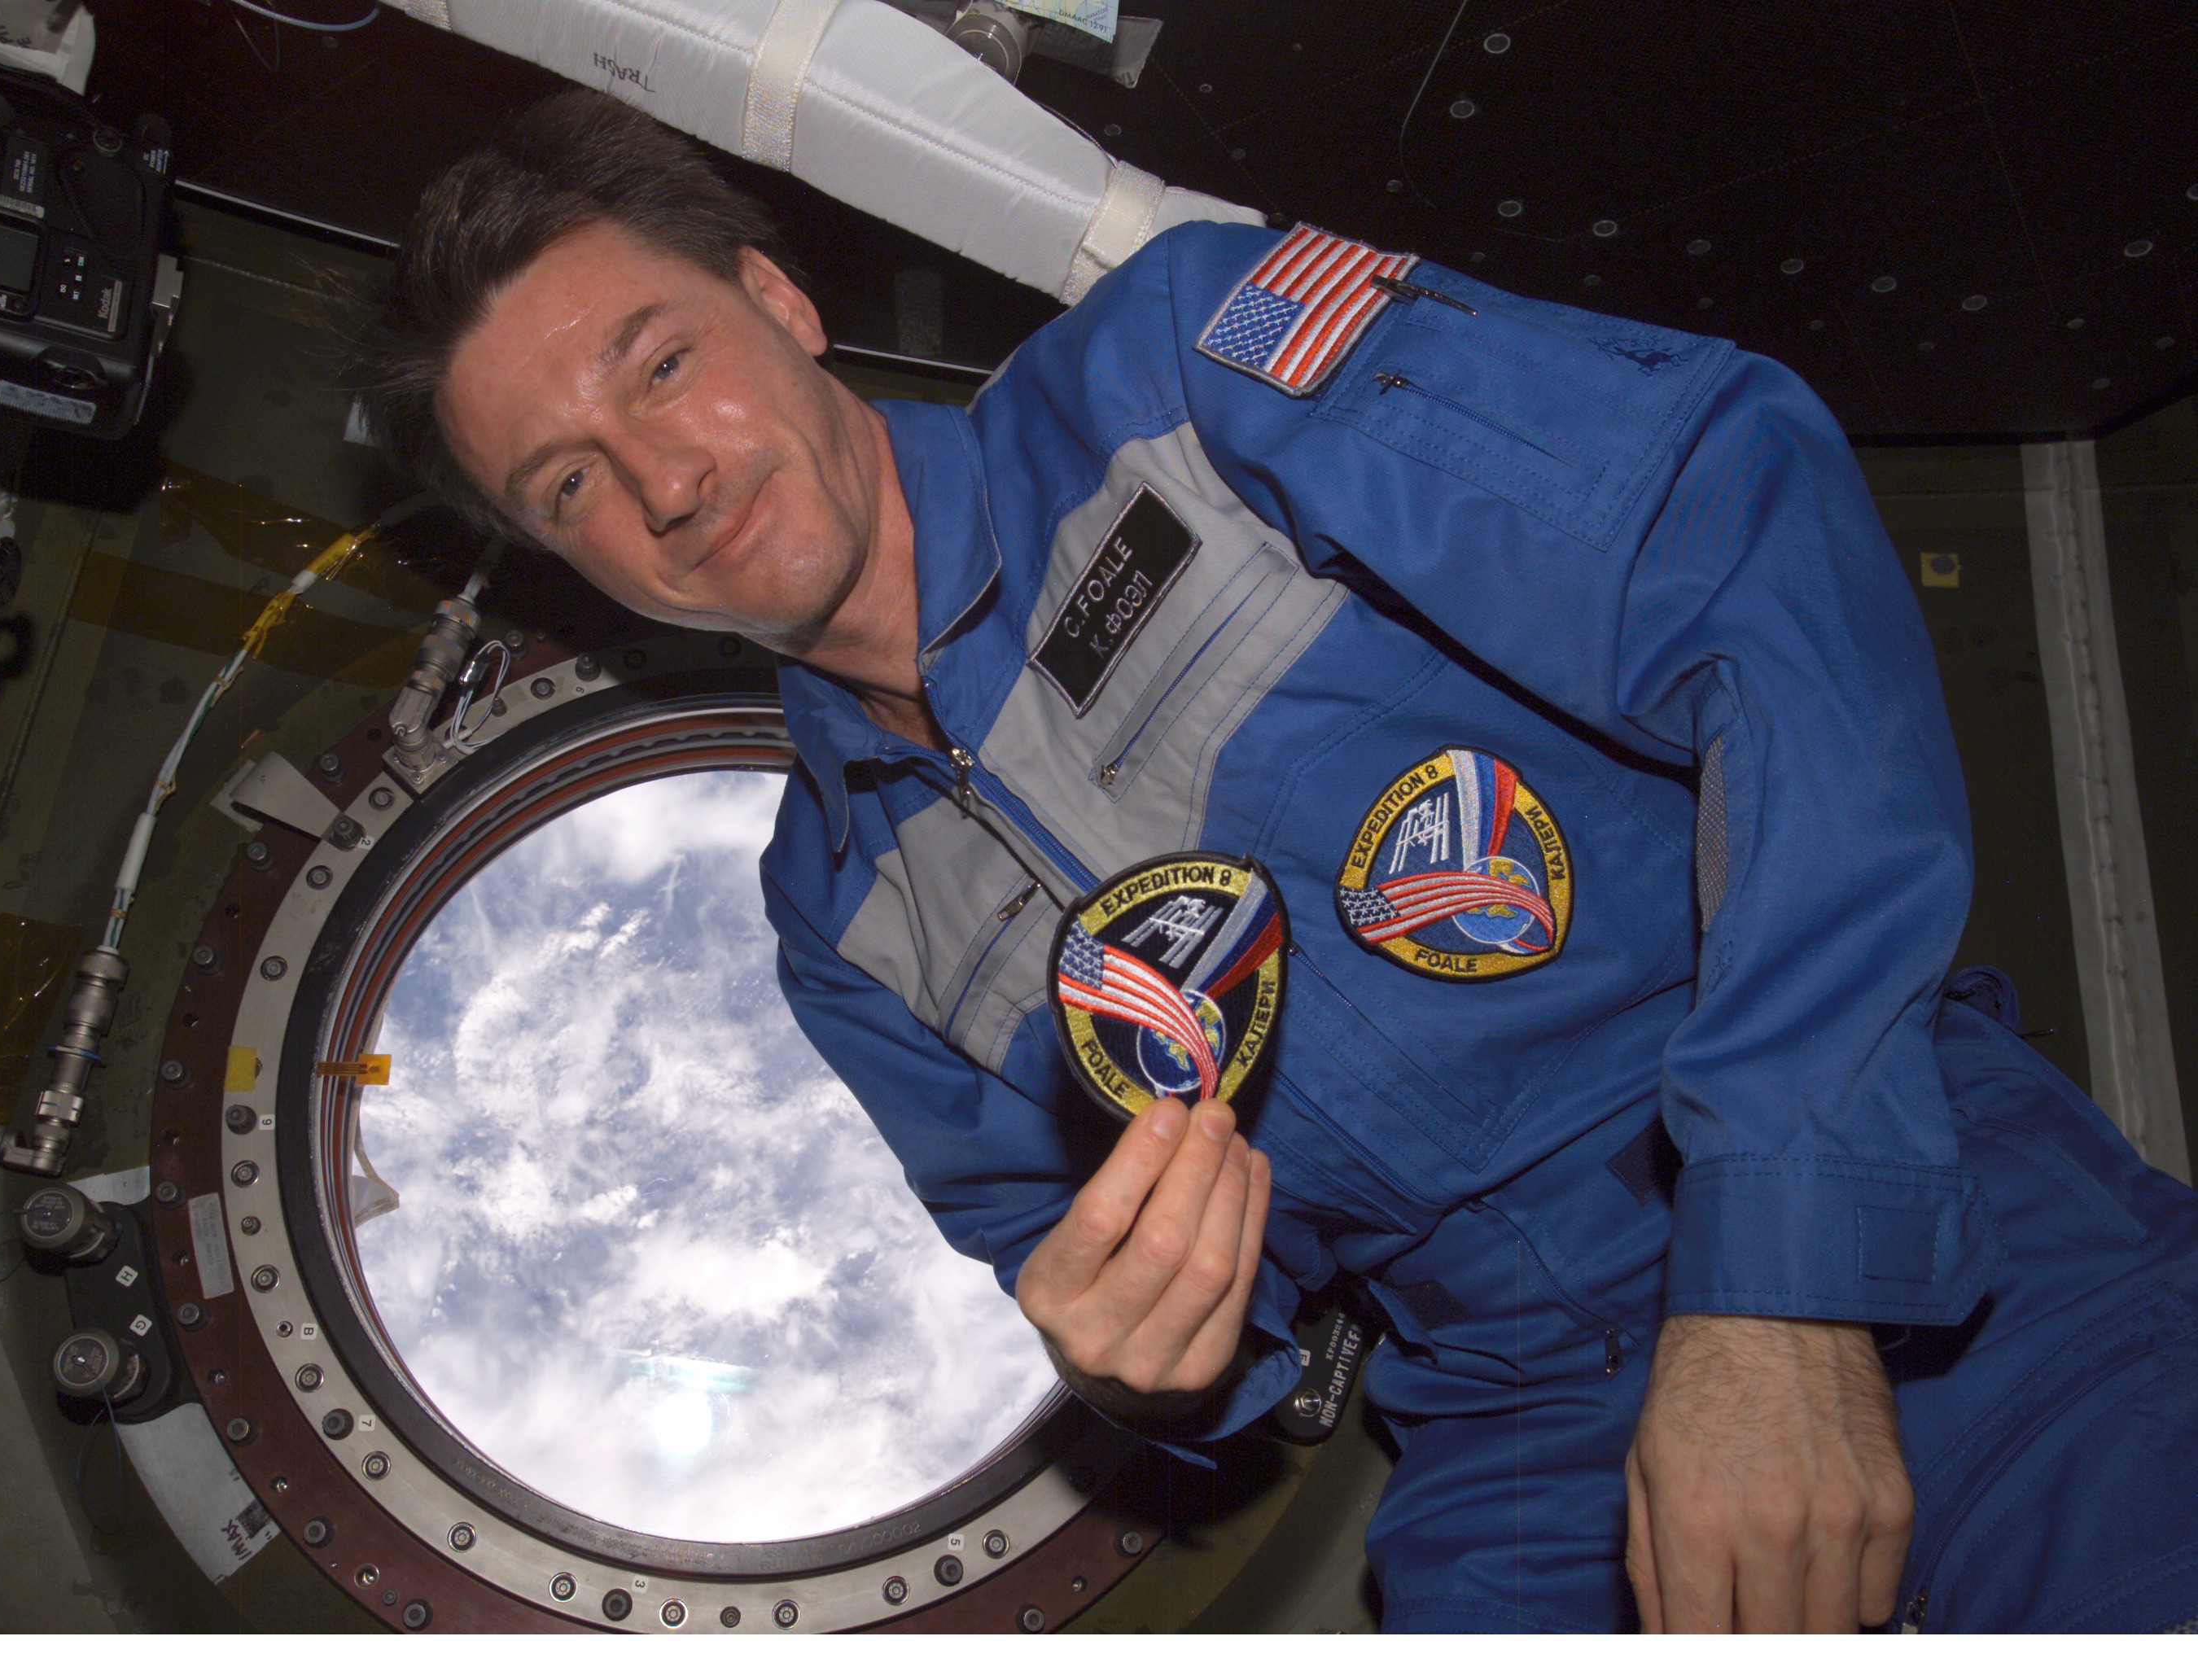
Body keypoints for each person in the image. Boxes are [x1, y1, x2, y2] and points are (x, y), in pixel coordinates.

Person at [352, 90, 2198, 1632]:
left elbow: (1743, 546)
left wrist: (1781, 1283)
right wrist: (1134, 1367)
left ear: (781, 300)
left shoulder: (1183, 362)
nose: (661, 481)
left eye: (661, 365)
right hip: (1512, 1422)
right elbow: (1097, 1279)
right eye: (569, 485)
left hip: (1908, 1224)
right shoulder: (836, 926)